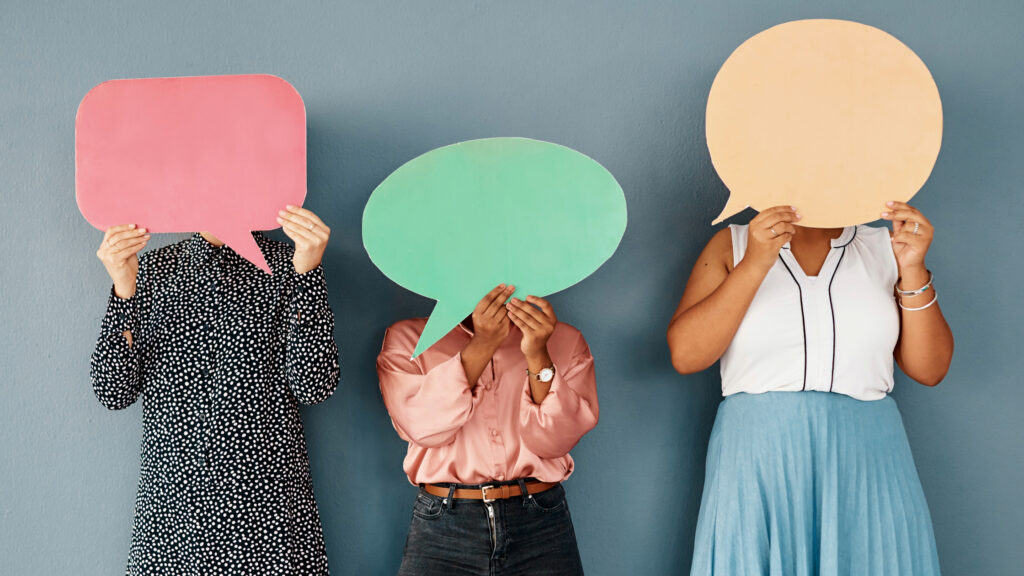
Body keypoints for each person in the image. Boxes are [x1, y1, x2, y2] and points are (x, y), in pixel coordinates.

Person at [668, 202, 953, 575]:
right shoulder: (733, 244)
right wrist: (755, 262)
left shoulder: (888, 246)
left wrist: (913, 268)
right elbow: (687, 356)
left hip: (869, 459)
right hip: (759, 459)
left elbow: (930, 370)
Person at [90, 206, 340, 575]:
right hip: (174, 520)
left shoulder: (293, 264)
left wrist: (308, 274)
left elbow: (314, 385)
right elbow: (113, 391)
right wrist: (124, 290)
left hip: (267, 515)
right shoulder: (151, 271)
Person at [377, 284, 599, 575]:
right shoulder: (409, 341)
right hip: (445, 525)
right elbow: (424, 427)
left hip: (541, 524)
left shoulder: (566, 340)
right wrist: (482, 344)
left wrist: (538, 355)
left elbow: (555, 442)